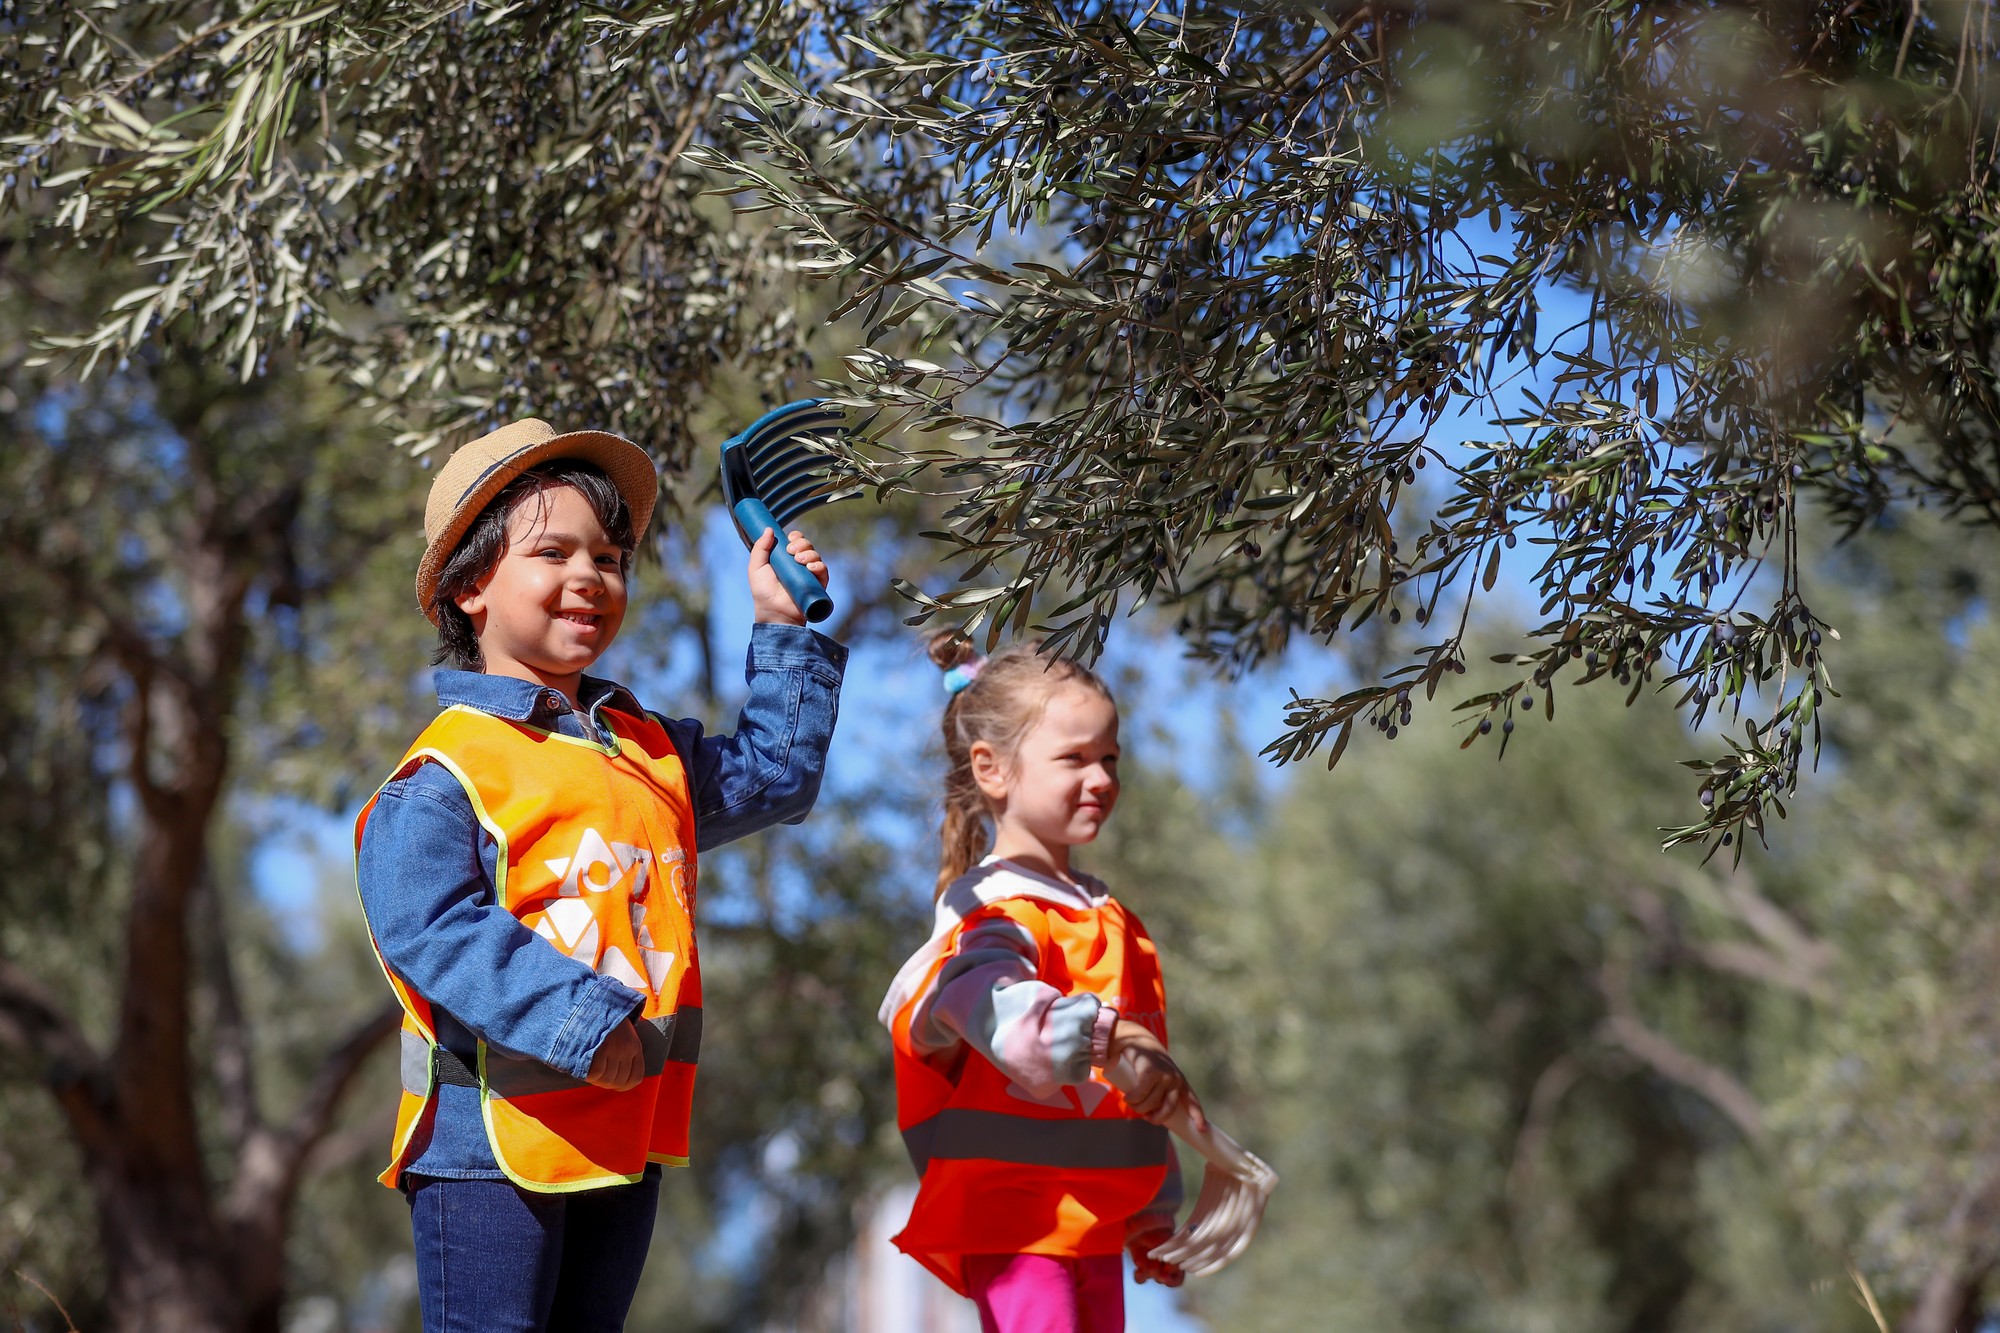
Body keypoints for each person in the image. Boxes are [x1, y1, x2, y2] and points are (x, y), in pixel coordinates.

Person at [354, 417, 845, 1332]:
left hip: (626, 1131)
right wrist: (584, 1023)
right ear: (469, 586)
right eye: (553, 552)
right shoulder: (449, 770)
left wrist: (783, 626)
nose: (591, 575)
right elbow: (429, 925)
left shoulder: (649, 750)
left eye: (612, 557)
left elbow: (775, 775)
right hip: (487, 1149)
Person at [879, 634, 1205, 1333]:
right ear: (993, 769)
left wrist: (1151, 1212)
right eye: (1075, 758)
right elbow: (1007, 1022)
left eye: (1110, 757)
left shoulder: (1117, 922)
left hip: (1092, 1222)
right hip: (1015, 1220)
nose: (1103, 778)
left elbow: (1134, 1095)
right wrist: (1115, 1035)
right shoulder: (992, 911)